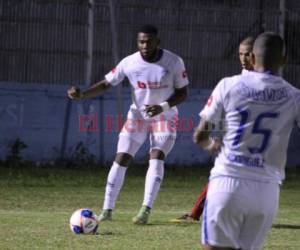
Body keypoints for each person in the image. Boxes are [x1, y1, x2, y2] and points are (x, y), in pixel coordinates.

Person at [68, 24, 189, 225]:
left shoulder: (174, 62)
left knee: (156, 156)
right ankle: (107, 210)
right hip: (138, 117)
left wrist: (162, 106)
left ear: (157, 42)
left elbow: (183, 93)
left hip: (165, 117)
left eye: (149, 41)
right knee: (121, 157)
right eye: (141, 41)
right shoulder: (129, 63)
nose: (144, 45)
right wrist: (83, 94)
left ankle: (145, 210)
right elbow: (107, 83)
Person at [194, 31, 300, 250]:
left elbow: (200, 136)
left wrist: (211, 145)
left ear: (252, 58)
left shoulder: (228, 85)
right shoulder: (294, 96)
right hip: (267, 190)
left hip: (228, 182)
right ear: (284, 60)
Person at [171, 36, 255, 223]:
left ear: (258, 54)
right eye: (240, 54)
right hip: (241, 141)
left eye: (247, 54)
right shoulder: (239, 81)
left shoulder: (238, 83)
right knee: (222, 176)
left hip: (253, 144)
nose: (243, 58)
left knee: (227, 177)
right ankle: (195, 213)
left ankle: (199, 214)